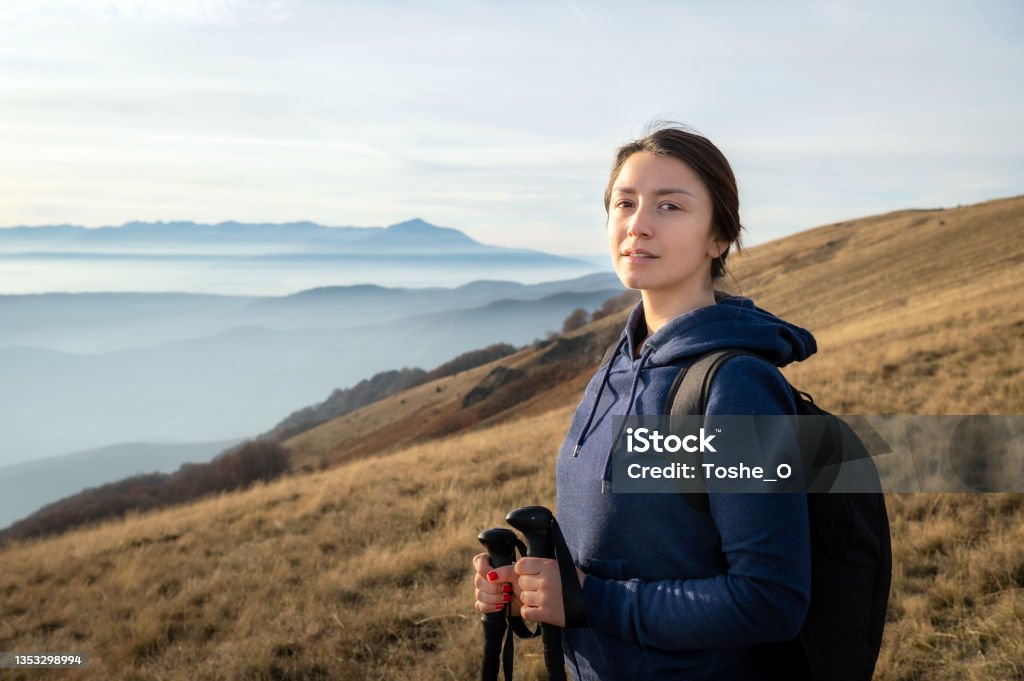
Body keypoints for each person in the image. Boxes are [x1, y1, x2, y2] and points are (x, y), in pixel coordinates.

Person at [472, 123, 816, 680]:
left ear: (718, 237)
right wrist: (534, 586)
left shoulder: (735, 388)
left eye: (670, 206)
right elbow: (624, 544)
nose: (638, 225)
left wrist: (589, 601)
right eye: (624, 203)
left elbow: (768, 600)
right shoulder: (619, 364)